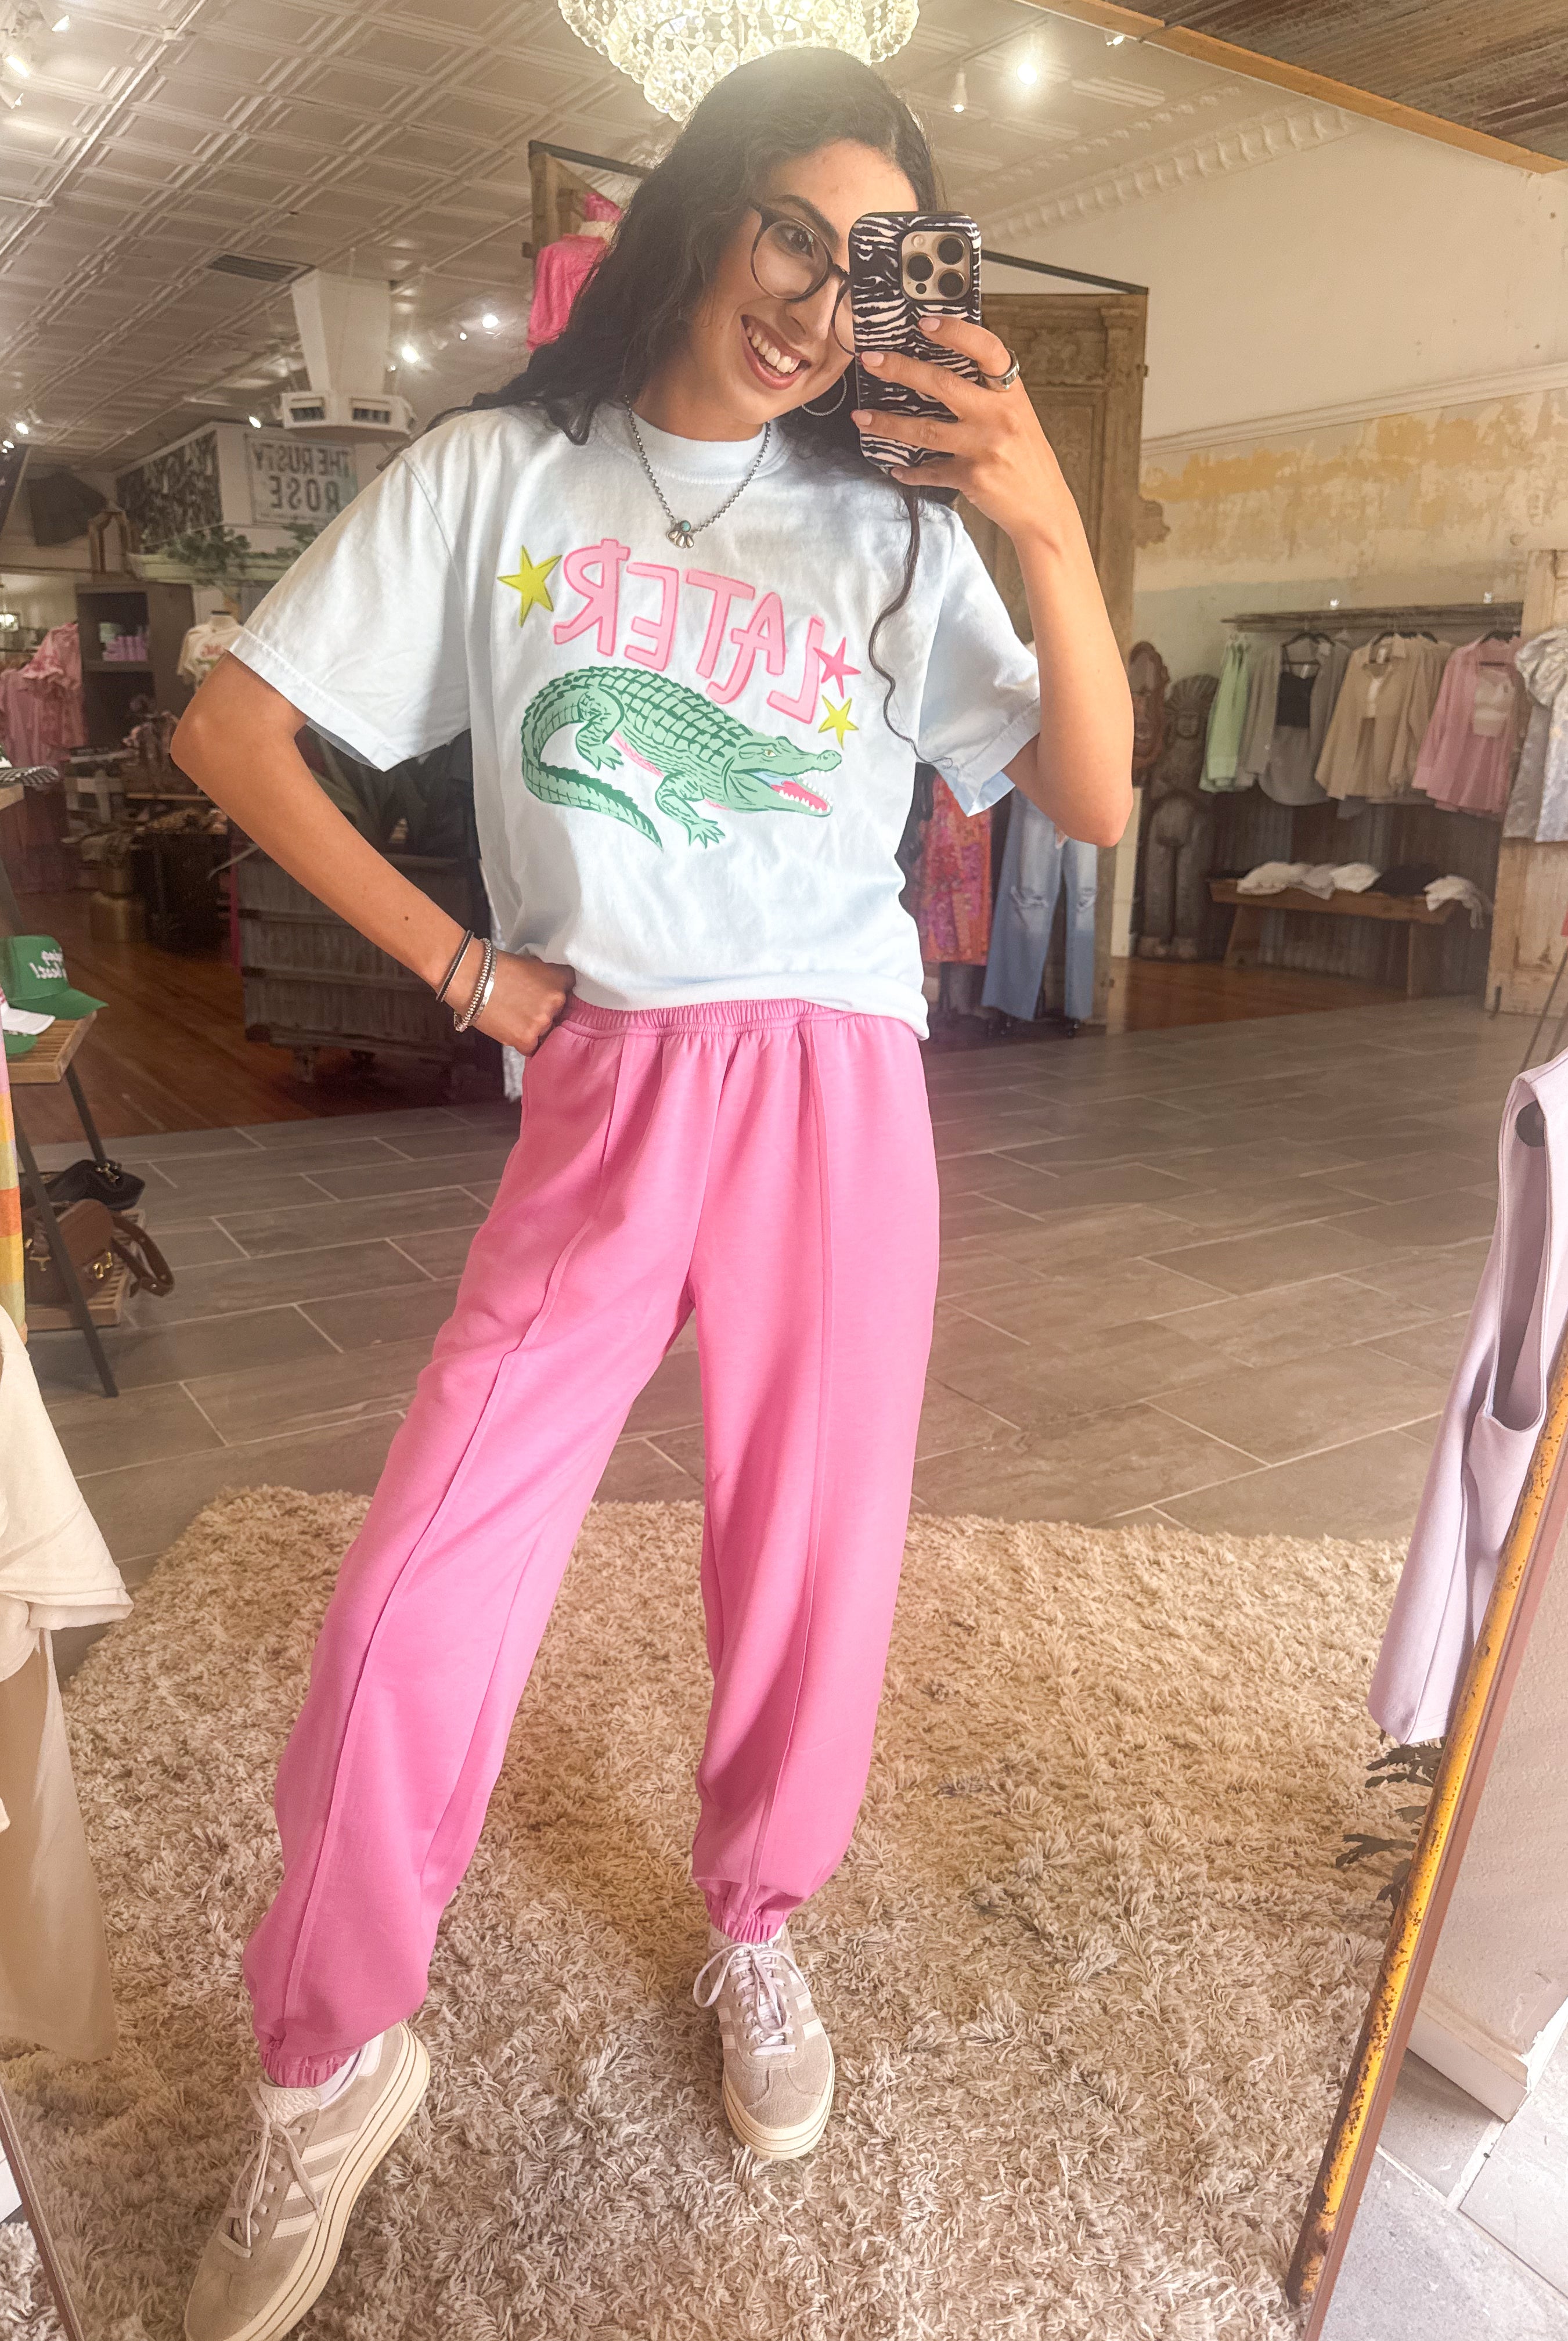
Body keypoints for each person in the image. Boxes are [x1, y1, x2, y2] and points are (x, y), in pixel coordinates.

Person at [172, 46, 1131, 2341]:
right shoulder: (501, 472)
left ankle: (759, 1925)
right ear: (702, 217)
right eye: (790, 230)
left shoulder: (894, 525)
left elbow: (1092, 800)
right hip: (604, 1079)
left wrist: (1044, 521)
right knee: (418, 1583)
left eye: (869, 263)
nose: (813, 298)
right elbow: (230, 731)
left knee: (808, 1562)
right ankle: (328, 2055)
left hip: (837, 1082)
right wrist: (467, 972)